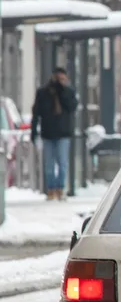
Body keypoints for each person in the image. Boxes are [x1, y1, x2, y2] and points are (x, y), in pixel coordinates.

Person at [31, 67, 78, 201]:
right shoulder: (43, 93)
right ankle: (51, 189)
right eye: (58, 79)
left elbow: (72, 106)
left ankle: (60, 189)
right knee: (49, 166)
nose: (59, 82)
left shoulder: (69, 92)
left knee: (62, 164)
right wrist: (33, 131)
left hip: (63, 133)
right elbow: (36, 113)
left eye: (62, 79)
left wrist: (62, 90)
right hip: (48, 133)